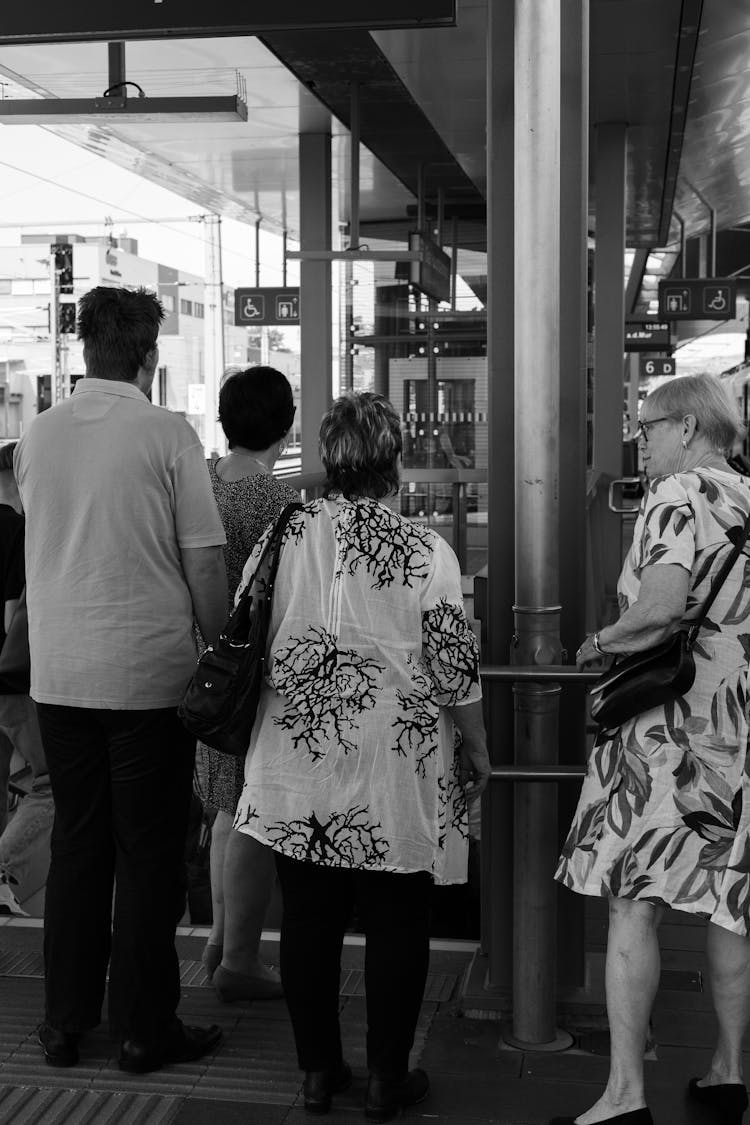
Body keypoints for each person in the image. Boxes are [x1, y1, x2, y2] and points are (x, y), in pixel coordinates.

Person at [232, 391, 490, 1121]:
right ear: (394, 461)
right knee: (397, 920)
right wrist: (479, 748)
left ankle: (318, 1072)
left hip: (296, 757)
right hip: (392, 771)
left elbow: (246, 621)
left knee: (307, 920)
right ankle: (386, 1077)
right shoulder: (424, 552)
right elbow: (452, 669)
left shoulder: (284, 533)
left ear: (328, 458)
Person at [14, 286, 228, 1074]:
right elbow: (204, 558)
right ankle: (144, 1028)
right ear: (149, 356)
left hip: (59, 674)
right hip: (146, 678)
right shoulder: (167, 433)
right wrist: (220, 646)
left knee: (78, 843)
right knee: (146, 853)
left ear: (82, 351)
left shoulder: (36, 434)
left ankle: (65, 1021)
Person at [555, 373, 750, 1125]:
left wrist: (597, 642)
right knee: (731, 907)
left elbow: (662, 608)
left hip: (667, 739)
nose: (641, 438)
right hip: (737, 735)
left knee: (632, 905)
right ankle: (729, 1070)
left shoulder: (677, 497)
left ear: (693, 427)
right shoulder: (745, 496)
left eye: (650, 425)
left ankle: (624, 1095)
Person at [194, 364, 300, 1001]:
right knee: (252, 815)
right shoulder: (279, 505)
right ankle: (239, 958)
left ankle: (217, 941)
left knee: (224, 815)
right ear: (284, 430)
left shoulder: (202, 484)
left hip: (209, 671)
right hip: (258, 679)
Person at [0, 442, 54, 916]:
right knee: (48, 785)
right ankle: (2, 869)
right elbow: (12, 620)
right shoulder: (15, 529)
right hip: (11, 685)